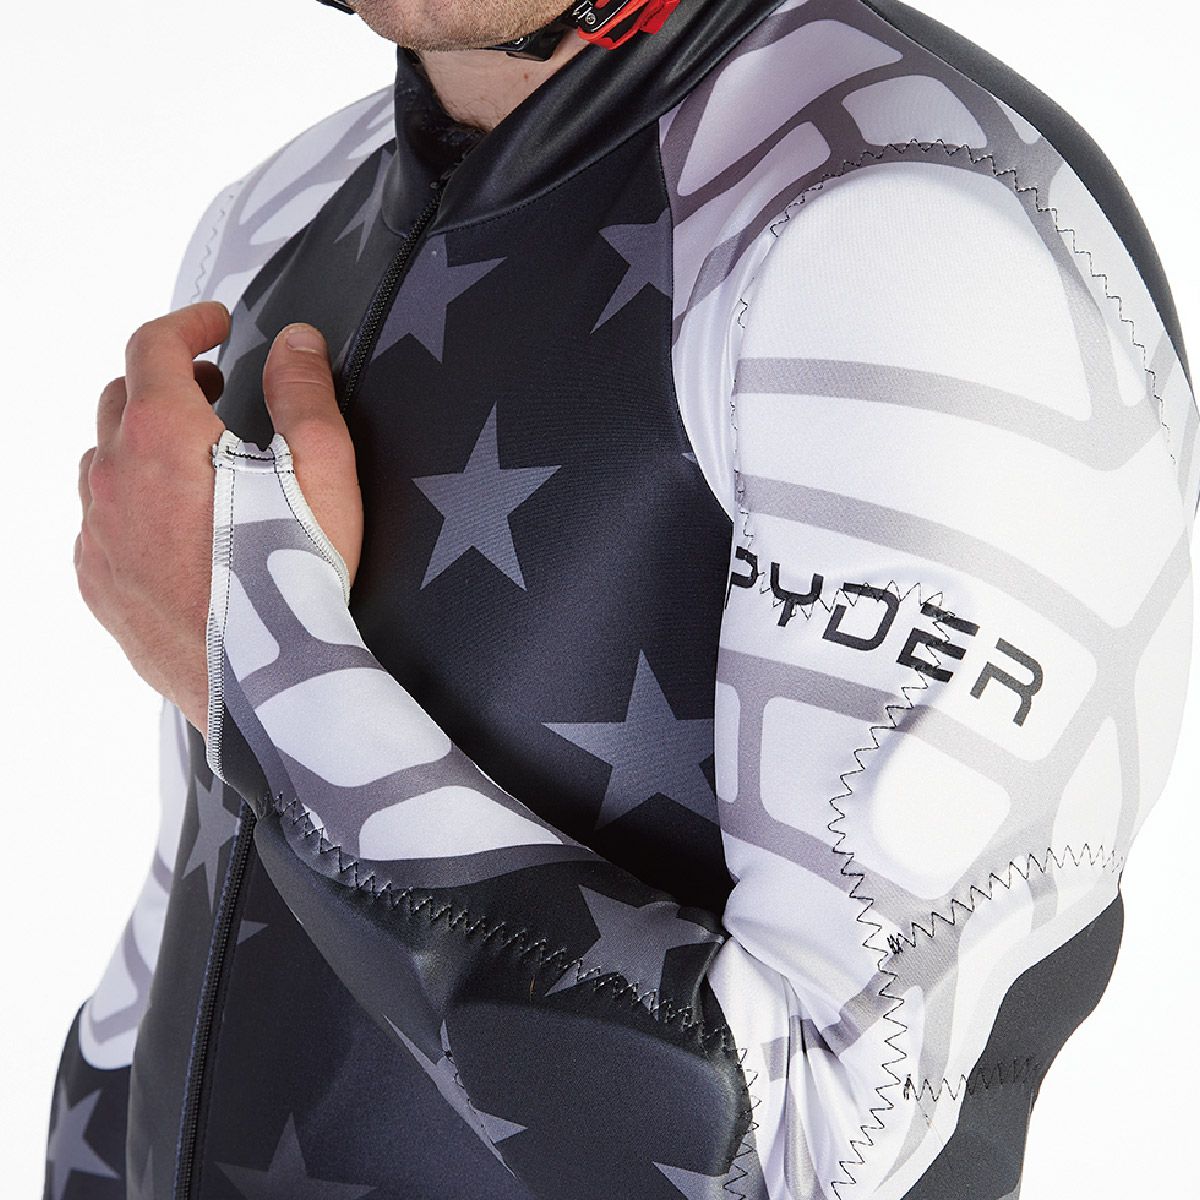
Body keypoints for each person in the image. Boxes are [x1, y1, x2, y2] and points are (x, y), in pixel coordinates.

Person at [50, 1, 1197, 1197]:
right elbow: (181, 934)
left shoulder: (908, 235)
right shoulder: (282, 208)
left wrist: (258, 662)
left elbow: (816, 1152)